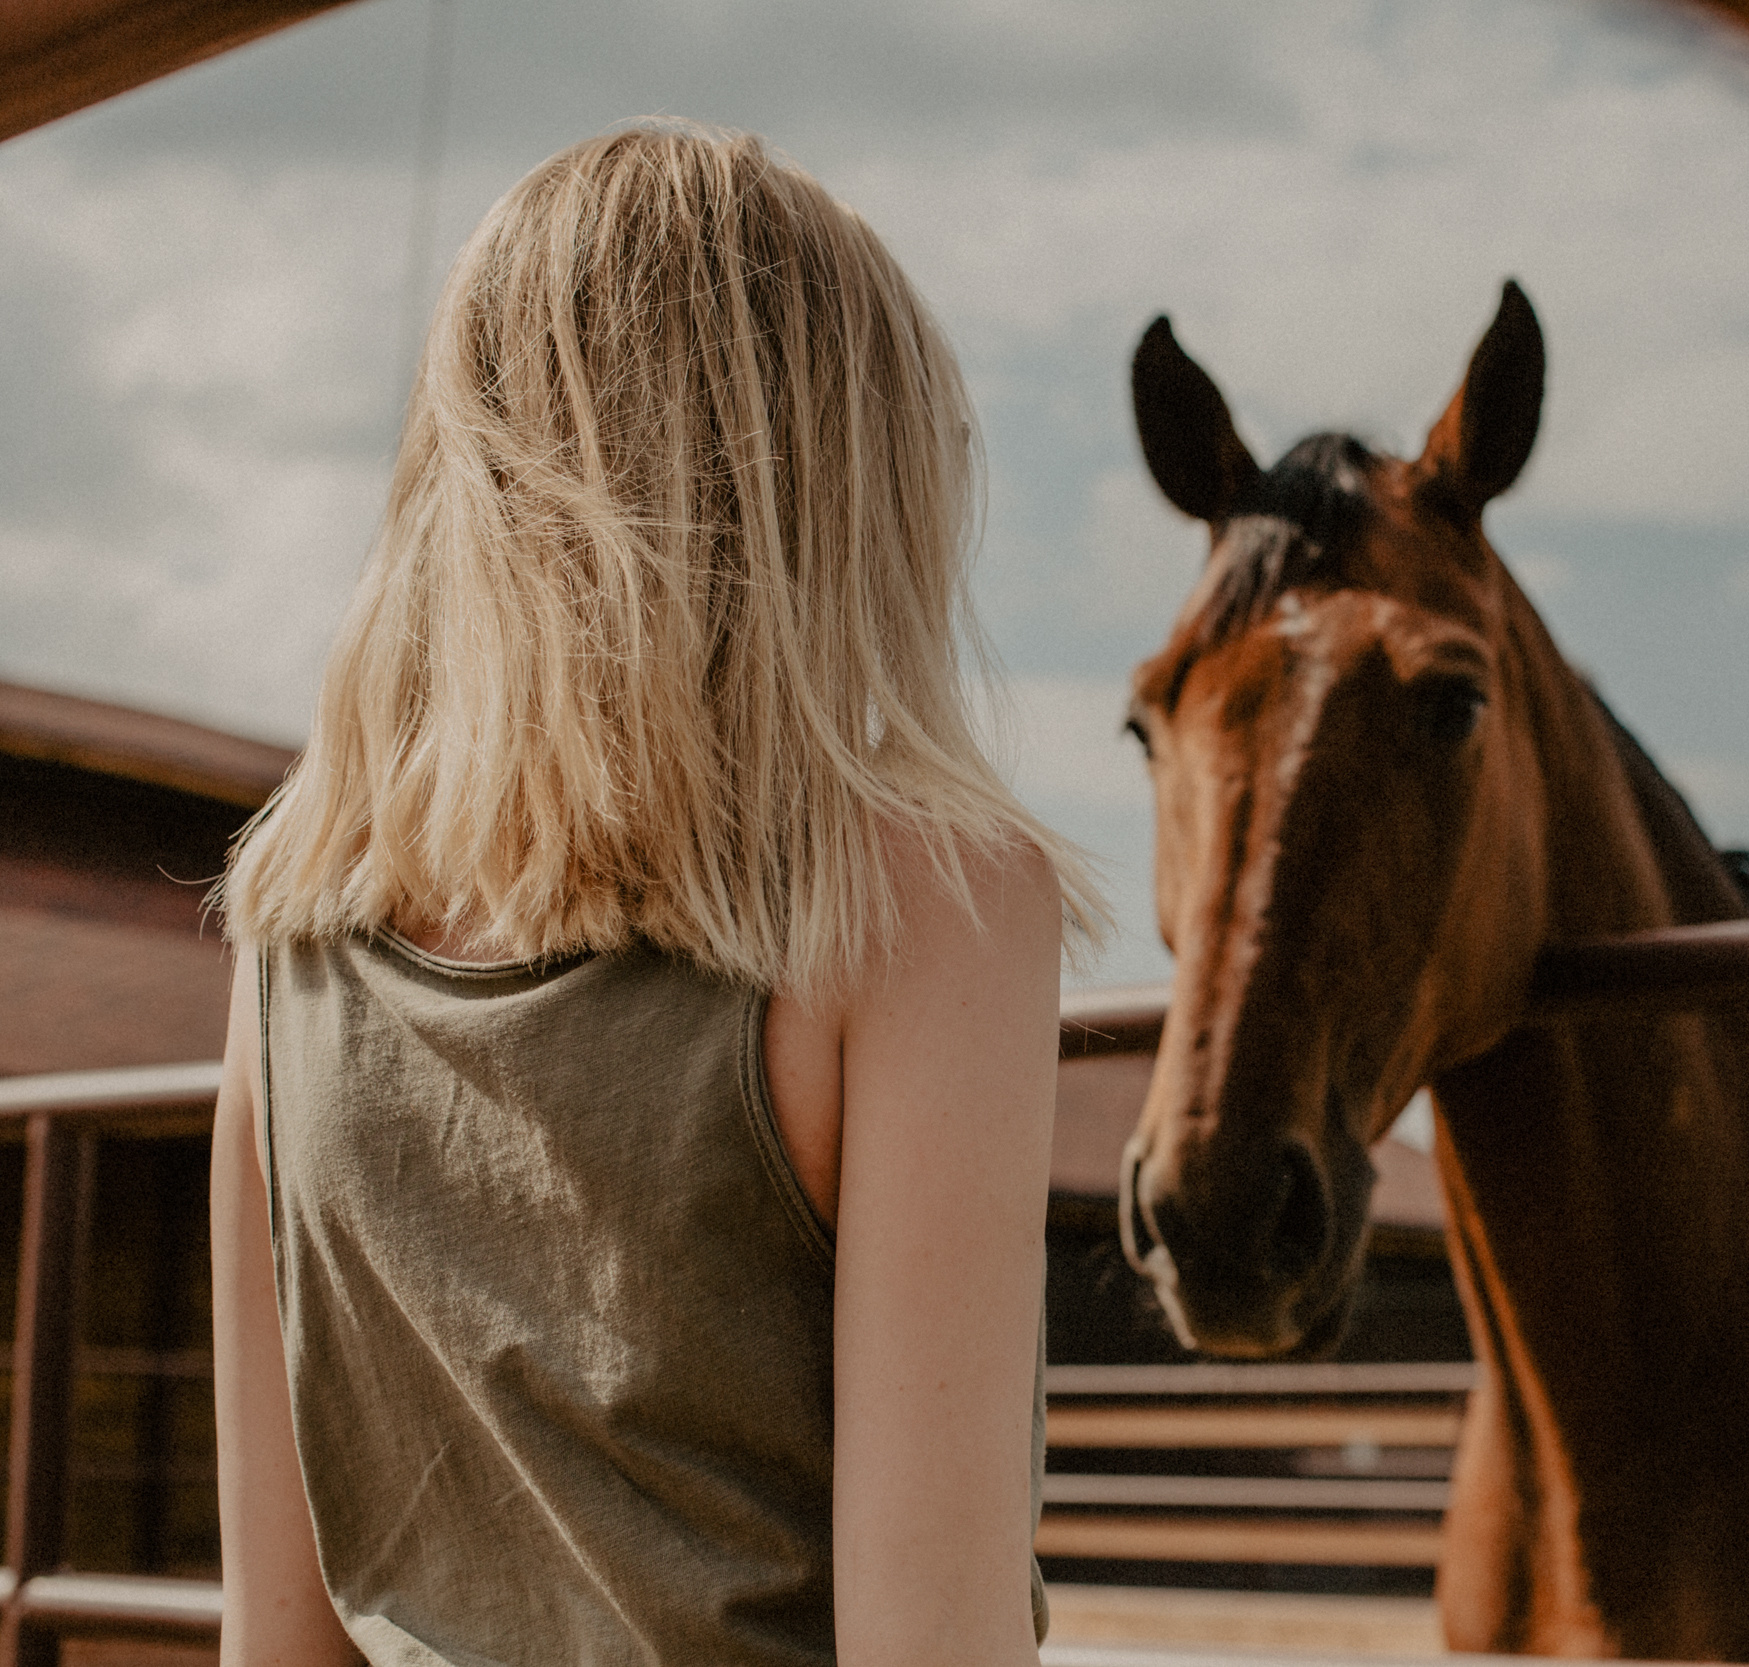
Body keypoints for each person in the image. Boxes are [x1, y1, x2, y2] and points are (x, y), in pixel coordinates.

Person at [208, 123, 1101, 1667]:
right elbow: (932, 1640)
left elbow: (276, 1642)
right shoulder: (921, 899)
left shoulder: (298, 916)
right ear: (851, 480)